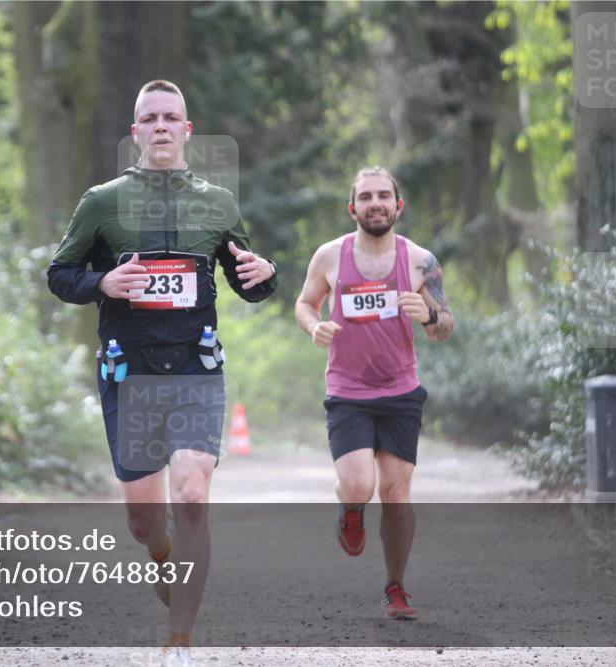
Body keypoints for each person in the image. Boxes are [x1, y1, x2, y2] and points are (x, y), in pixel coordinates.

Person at [47, 80, 277, 666]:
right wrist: (101, 282)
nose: (160, 127)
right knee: (145, 519)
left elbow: (248, 281)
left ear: (187, 129)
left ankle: (179, 637)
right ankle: (162, 550)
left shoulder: (218, 203)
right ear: (136, 132)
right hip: (130, 371)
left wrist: (264, 272)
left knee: (193, 493)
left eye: (170, 117)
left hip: (197, 368)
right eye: (149, 119)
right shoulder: (101, 201)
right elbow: (59, 274)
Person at [294, 166, 453, 620]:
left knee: (397, 491)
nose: (376, 203)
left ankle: (396, 586)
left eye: (384, 195)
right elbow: (305, 303)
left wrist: (427, 314)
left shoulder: (421, 261)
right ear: (353, 208)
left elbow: (444, 328)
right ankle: (350, 509)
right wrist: (314, 325)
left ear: (398, 206)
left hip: (401, 390)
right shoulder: (329, 256)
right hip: (347, 389)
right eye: (366, 197)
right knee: (361, 484)